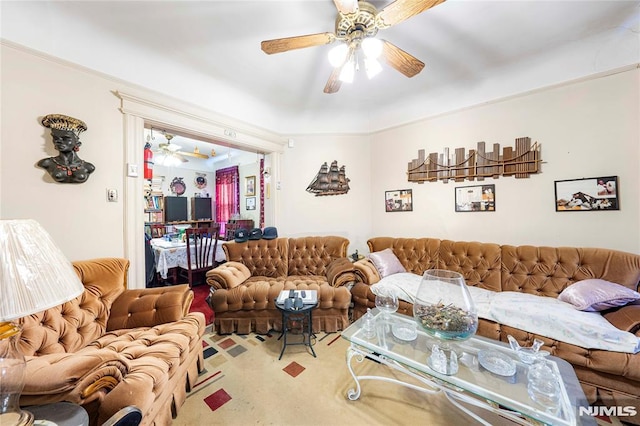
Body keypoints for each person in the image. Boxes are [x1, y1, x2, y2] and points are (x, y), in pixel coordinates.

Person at [38, 114, 95, 183]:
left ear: (77, 142)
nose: (58, 141)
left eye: (65, 138)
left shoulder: (88, 167)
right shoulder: (46, 163)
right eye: (55, 138)